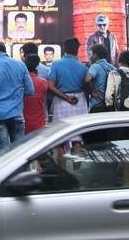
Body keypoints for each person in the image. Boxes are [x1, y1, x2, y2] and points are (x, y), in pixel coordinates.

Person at [0, 41, 34, 150]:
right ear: (5, 50)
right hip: (17, 113)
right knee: (19, 151)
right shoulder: (20, 65)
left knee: (2, 152)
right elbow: (30, 90)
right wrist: (17, 97)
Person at [48, 38, 89, 169]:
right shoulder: (83, 67)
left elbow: (50, 86)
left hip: (61, 101)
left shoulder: (56, 64)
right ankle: (77, 174)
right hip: (79, 102)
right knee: (78, 139)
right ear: (78, 49)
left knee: (60, 139)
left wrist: (66, 98)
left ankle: (62, 175)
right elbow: (86, 87)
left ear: (65, 48)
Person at [85, 44, 116, 113]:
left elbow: (87, 79)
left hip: (97, 104)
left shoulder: (95, 66)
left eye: (92, 54)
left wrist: (91, 91)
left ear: (96, 55)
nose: (91, 57)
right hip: (110, 104)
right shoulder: (111, 67)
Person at [23, 54, 48, 134]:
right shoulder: (43, 82)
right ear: (37, 67)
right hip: (39, 122)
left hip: (23, 122)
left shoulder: (20, 82)